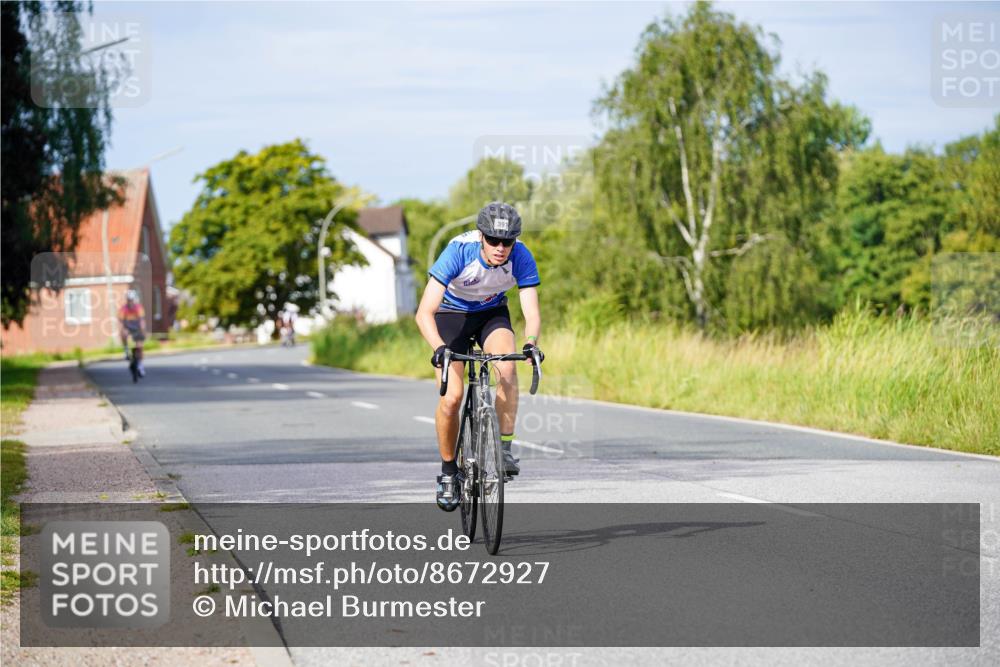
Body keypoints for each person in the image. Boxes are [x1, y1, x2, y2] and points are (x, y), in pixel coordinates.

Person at [415, 202, 544, 512]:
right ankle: (448, 472)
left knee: (508, 370)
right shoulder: (459, 250)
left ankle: (503, 449)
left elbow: (532, 311)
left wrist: (530, 342)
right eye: (494, 240)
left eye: (508, 242)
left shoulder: (521, 256)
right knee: (452, 397)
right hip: (451, 314)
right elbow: (424, 313)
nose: (501, 248)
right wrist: (439, 348)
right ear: (481, 237)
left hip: (491, 314)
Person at [119, 289, 146, 377]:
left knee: (140, 346)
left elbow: (142, 321)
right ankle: (126, 350)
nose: (130, 302)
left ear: (134, 300)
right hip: (128, 327)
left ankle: (141, 366)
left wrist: (143, 331)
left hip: (137, 328)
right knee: (124, 333)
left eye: (131, 300)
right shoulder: (123, 309)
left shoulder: (138, 307)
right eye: (128, 300)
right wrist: (122, 330)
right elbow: (121, 322)